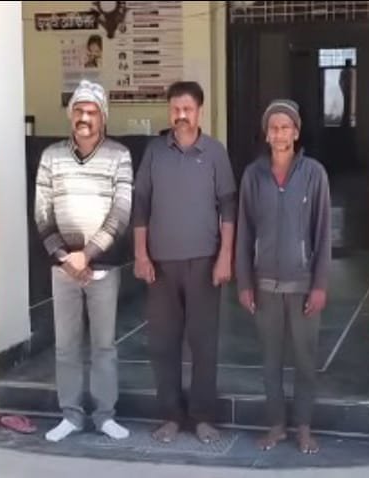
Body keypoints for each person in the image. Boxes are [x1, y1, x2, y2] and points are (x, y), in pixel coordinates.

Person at [132, 81, 237, 444]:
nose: (181, 116)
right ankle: (171, 416)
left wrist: (226, 256)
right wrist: (140, 253)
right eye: (175, 109)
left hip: (204, 263)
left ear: (199, 112)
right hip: (161, 266)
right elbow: (141, 204)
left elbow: (228, 207)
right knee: (164, 344)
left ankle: (203, 417)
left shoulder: (215, 153)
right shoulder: (154, 152)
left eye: (187, 109)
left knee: (204, 343)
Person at [34, 79, 133, 443]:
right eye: (78, 110)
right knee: (66, 347)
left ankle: (105, 415)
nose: (84, 117)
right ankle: (71, 416)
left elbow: (120, 213)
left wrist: (87, 255)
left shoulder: (120, 155)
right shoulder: (51, 157)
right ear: (70, 115)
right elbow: (42, 214)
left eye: (92, 111)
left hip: (102, 267)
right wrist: (65, 258)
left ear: (103, 117)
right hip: (63, 268)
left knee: (104, 346)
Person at [235, 99, 332, 454]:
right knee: (270, 360)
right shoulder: (253, 176)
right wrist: (244, 282)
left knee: (305, 359)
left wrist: (319, 284)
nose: (279, 134)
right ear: (266, 134)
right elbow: (244, 232)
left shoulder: (314, 174)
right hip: (264, 285)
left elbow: (323, 233)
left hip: (303, 283)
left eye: (285, 127)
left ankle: (304, 426)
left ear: (296, 132)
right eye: (273, 128)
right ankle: (276, 425)